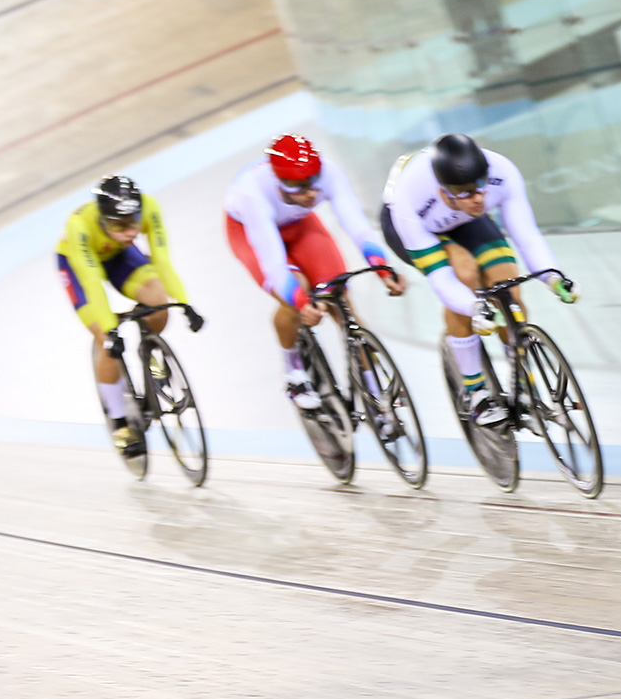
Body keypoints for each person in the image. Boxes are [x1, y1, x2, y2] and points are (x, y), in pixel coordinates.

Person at [380, 134, 573, 428]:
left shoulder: (500, 172)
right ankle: (475, 391)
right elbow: (442, 282)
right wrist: (474, 308)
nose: (478, 198)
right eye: (466, 192)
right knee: (464, 272)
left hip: (466, 221)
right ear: (443, 191)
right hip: (414, 229)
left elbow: (526, 235)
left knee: (509, 285)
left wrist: (553, 277)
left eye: (480, 187)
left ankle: (522, 385)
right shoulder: (411, 195)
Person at [225, 134, 402, 412]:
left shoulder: (329, 173)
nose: (310, 193)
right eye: (298, 186)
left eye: (313, 182)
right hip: (249, 233)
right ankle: (294, 371)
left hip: (300, 224)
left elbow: (357, 224)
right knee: (297, 289)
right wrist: (300, 302)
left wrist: (382, 266)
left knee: (338, 296)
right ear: (278, 182)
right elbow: (273, 263)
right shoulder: (253, 195)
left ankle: (373, 388)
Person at [57, 176, 195, 458]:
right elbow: (93, 284)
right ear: (104, 219)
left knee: (158, 302)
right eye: (119, 225)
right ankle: (119, 422)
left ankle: (151, 356)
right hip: (79, 265)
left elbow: (163, 262)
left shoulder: (149, 208)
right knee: (105, 342)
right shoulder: (80, 226)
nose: (130, 230)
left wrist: (184, 304)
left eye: (133, 220)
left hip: (120, 257)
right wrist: (110, 332)